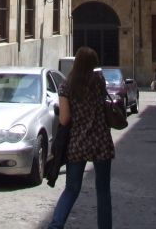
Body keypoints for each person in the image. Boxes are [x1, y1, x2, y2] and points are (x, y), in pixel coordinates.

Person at [48, 46, 114, 229]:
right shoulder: (99, 81)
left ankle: (55, 225)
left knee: (71, 189)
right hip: (101, 141)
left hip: (78, 142)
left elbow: (64, 119)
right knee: (103, 192)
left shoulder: (66, 86)